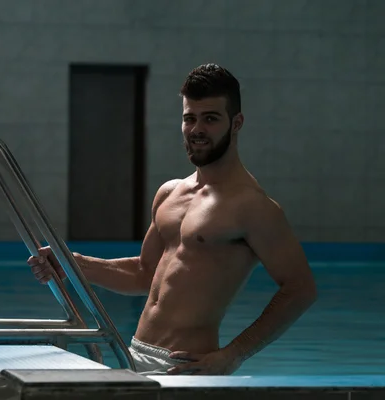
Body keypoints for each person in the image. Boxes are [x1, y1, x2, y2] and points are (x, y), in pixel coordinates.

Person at [27, 63, 317, 376]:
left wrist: (234, 354)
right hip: (134, 353)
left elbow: (300, 290)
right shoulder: (170, 193)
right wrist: (73, 264)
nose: (197, 129)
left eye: (210, 118)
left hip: (188, 366)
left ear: (236, 124)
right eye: (189, 118)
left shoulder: (252, 206)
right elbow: (143, 274)